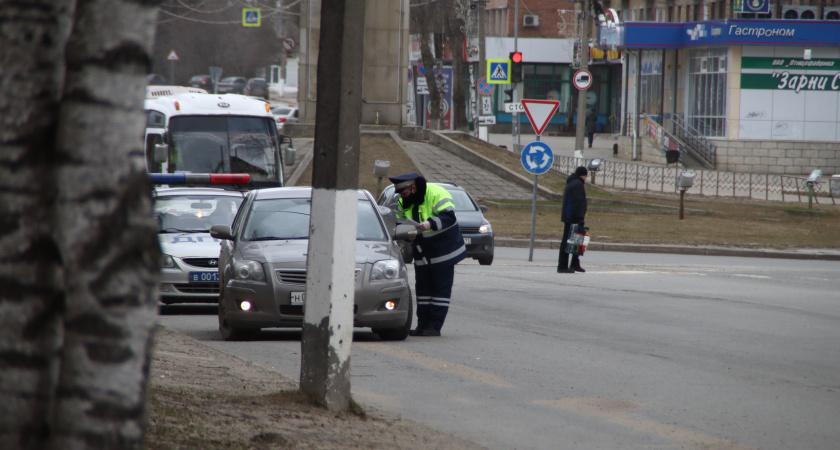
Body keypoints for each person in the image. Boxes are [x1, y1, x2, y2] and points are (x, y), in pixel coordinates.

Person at [389, 173, 467, 337]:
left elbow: (448, 217)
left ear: (413, 187)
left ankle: (434, 326)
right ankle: (422, 325)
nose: (402, 197)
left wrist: (429, 223)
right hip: (422, 252)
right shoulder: (404, 201)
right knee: (423, 290)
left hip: (443, 250)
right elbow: (401, 223)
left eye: (404, 193)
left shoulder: (436, 193)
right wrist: (407, 234)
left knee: (440, 290)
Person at [558, 166, 588, 274]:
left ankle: (575, 264)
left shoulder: (573, 183)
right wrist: (580, 217)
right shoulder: (577, 185)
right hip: (573, 217)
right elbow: (577, 203)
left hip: (570, 216)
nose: (586, 179)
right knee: (568, 241)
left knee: (577, 240)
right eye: (586, 176)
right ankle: (562, 266)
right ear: (583, 175)